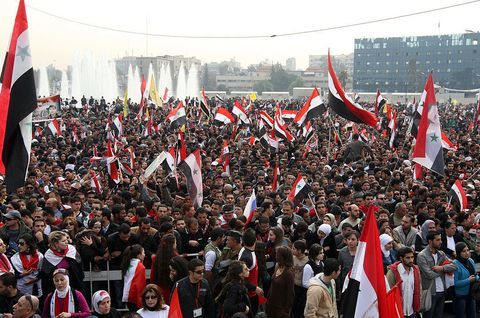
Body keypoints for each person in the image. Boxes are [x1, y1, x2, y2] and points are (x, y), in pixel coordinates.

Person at [417, 231, 457, 318]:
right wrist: (444, 270)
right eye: (438, 240)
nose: (441, 242)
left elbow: (454, 266)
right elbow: (429, 274)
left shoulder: (441, 254)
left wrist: (441, 268)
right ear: (430, 241)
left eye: (441, 239)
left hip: (442, 291)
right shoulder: (422, 255)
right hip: (430, 292)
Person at [40, 231, 83, 296]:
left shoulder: (71, 250)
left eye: (66, 240)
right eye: (63, 241)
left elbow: (79, 266)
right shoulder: (48, 255)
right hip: (55, 288)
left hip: (74, 285)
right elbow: (45, 276)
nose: (66, 242)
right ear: (56, 243)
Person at [386, 246, 421, 318]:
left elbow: (419, 289)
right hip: (398, 311)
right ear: (401, 258)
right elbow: (389, 292)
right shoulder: (393, 272)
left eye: (412, 257)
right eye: (408, 258)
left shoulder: (416, 270)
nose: (411, 260)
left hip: (412, 312)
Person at [265, 246, 295, 318]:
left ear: (282, 256)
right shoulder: (278, 266)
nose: (275, 256)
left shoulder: (288, 273)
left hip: (280, 310)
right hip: (271, 305)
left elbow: (290, 294)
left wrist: (285, 311)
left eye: (277, 254)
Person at [453, 242, 479, 318]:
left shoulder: (471, 260)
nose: (467, 253)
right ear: (458, 252)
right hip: (460, 296)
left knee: (472, 315)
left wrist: (476, 278)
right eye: (464, 251)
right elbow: (455, 283)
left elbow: (475, 274)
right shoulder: (454, 264)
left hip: (472, 294)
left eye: (468, 250)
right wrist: (468, 280)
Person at [150, 234, 178, 303]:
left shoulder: (155, 258)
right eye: (175, 243)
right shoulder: (176, 258)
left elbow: (152, 276)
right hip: (172, 289)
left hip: (159, 289)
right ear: (172, 244)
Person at [121, 244, 146, 311]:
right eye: (143, 252)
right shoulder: (140, 267)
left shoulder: (128, 263)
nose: (144, 255)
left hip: (127, 294)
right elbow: (140, 285)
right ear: (138, 255)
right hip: (135, 296)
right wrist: (141, 299)